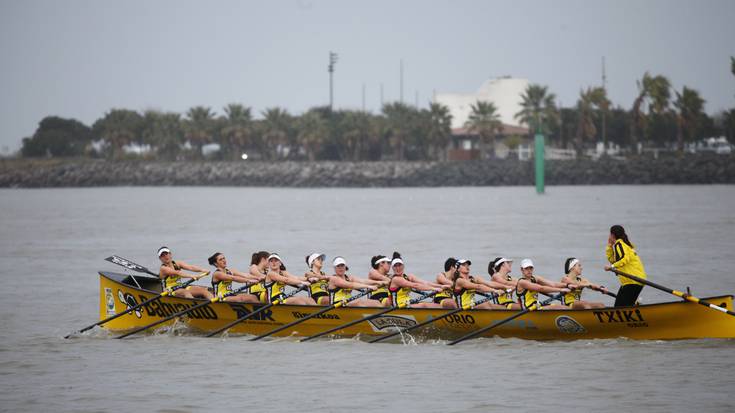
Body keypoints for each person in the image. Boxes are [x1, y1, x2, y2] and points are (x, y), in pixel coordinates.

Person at [604, 225, 647, 307]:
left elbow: (624, 259)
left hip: (632, 280)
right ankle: (636, 307)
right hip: (636, 280)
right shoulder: (623, 245)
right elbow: (614, 260)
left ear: (612, 235)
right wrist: (609, 247)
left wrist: (612, 267)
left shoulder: (619, 244)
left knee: (618, 307)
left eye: (609, 234)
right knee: (626, 306)